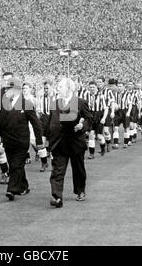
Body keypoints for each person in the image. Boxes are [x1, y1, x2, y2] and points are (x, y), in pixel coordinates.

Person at [45, 78, 93, 208]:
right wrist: (46, 138)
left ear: (69, 88)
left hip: (76, 142)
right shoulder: (55, 103)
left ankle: (80, 190)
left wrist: (82, 127)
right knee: (57, 170)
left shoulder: (81, 102)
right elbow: (50, 121)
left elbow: (89, 119)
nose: (58, 88)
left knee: (78, 169)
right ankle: (57, 196)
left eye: (60, 86)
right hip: (60, 143)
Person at [0, 77, 44, 201]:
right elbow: (1, 120)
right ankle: (24, 186)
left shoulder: (27, 104)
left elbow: (36, 123)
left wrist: (39, 141)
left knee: (16, 165)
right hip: (8, 140)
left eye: (8, 88)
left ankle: (12, 189)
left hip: (21, 140)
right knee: (14, 165)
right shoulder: (5, 103)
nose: (6, 90)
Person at [84, 81, 108, 159]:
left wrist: (104, 118)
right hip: (90, 116)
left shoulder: (101, 96)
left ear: (96, 87)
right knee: (91, 134)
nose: (92, 89)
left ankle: (103, 148)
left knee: (99, 136)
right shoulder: (86, 95)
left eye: (93, 87)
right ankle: (92, 154)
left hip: (99, 116)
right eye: (90, 87)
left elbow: (106, 108)